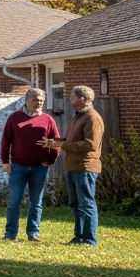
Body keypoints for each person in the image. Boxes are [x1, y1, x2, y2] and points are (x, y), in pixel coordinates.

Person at [40, 85, 104, 246]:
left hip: (85, 167)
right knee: (75, 204)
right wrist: (54, 143)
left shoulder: (92, 118)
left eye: (72, 96)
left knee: (86, 203)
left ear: (82, 99)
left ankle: (90, 240)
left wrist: (62, 146)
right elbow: (71, 141)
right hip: (73, 166)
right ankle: (79, 237)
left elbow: (90, 145)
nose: (69, 99)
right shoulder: (78, 117)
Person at [0, 87, 60, 241]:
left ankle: (33, 233)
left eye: (41, 100)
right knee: (14, 201)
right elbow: (6, 141)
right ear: (27, 100)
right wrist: (5, 162)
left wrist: (50, 160)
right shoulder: (15, 117)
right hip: (18, 167)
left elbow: (56, 142)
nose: (38, 102)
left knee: (36, 202)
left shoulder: (48, 120)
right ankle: (10, 233)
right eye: (35, 99)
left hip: (39, 167)